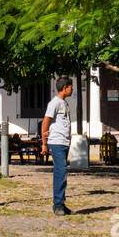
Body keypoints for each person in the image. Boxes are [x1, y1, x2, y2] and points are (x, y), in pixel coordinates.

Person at [41, 77, 74, 215]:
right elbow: (45, 122)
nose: (72, 89)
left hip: (64, 142)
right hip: (56, 142)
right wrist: (44, 144)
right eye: (71, 86)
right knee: (60, 172)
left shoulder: (64, 103)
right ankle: (58, 204)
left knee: (62, 172)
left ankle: (61, 202)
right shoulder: (54, 103)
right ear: (65, 87)